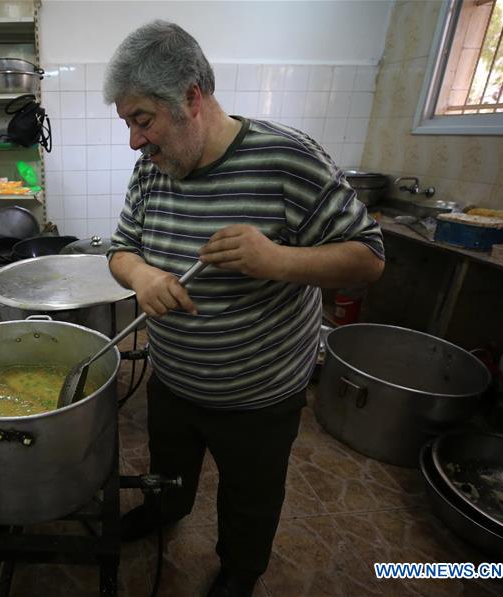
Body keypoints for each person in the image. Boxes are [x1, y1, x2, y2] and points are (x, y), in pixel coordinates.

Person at [103, 20, 385, 597]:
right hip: (175, 380)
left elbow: (369, 258)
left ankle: (239, 570)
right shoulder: (152, 169)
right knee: (169, 469)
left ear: (190, 98)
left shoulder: (286, 158)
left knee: (250, 496)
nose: (135, 141)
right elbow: (120, 249)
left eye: (142, 120)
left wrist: (276, 260)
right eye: (129, 123)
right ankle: (166, 509)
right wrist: (142, 273)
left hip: (258, 396)